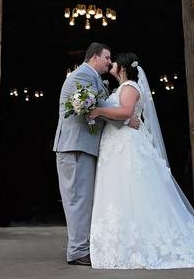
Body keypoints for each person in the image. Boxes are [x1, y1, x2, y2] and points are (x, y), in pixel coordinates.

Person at [87, 53, 194, 269]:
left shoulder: (129, 87)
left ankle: (137, 243)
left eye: (115, 61)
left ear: (123, 67)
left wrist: (98, 110)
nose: (112, 64)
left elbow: (125, 111)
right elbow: (123, 114)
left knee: (130, 188)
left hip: (127, 146)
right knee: (119, 189)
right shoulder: (121, 88)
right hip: (117, 144)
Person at [52, 42, 141, 266]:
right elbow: (96, 106)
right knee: (78, 200)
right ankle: (78, 251)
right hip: (75, 147)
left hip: (83, 147)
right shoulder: (82, 76)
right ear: (94, 57)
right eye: (107, 57)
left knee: (83, 199)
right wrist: (125, 117)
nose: (110, 62)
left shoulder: (92, 78)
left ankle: (82, 247)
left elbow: (99, 105)